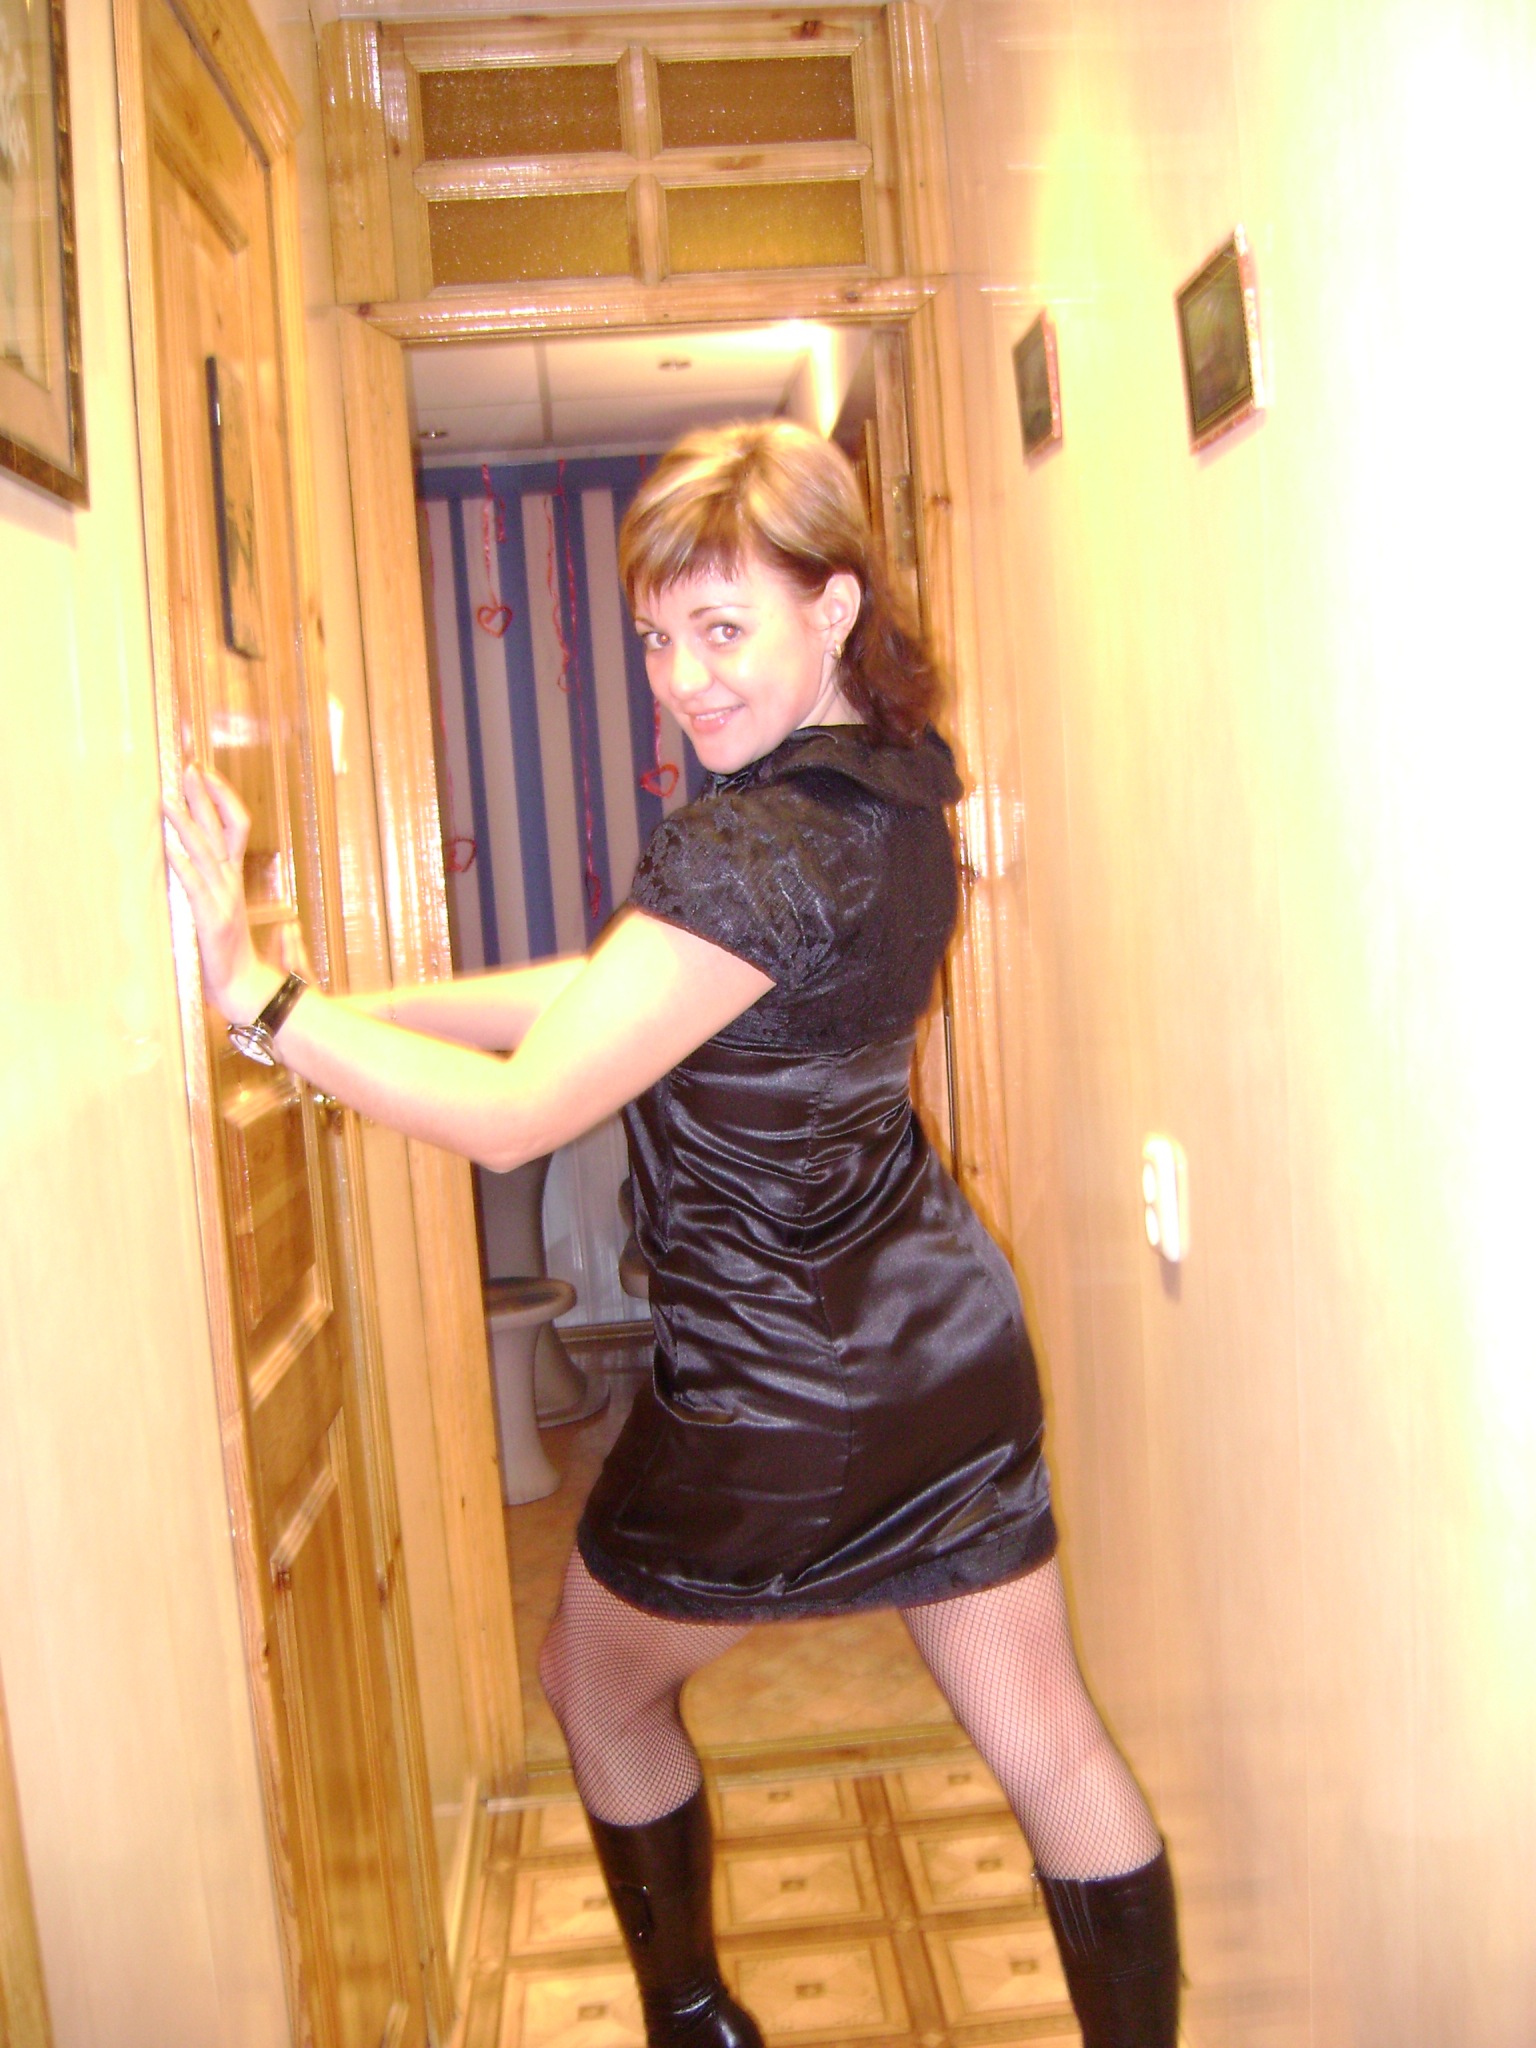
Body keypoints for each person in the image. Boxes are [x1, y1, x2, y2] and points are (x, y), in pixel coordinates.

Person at [164, 420, 1180, 2048]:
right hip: (945, 1348)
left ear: (831, 608)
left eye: (723, 628)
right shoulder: (897, 783)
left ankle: (696, 2027)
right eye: (656, 638)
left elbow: (521, 1113)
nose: (683, 680)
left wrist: (258, 1001)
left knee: (590, 1683)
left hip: (778, 1387)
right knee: (1049, 1739)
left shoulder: (748, 839)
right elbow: (623, 993)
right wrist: (360, 1006)